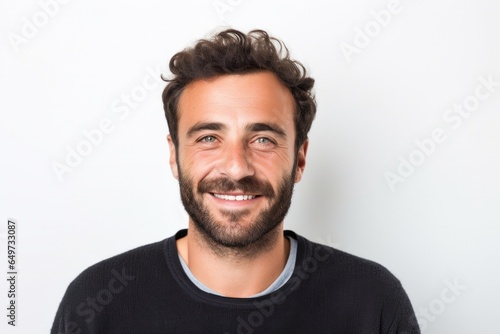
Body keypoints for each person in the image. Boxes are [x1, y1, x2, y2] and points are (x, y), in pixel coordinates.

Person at [51, 28, 420, 333]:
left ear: (300, 159)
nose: (237, 168)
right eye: (209, 138)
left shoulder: (374, 302)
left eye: (263, 140)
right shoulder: (97, 303)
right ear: (173, 155)